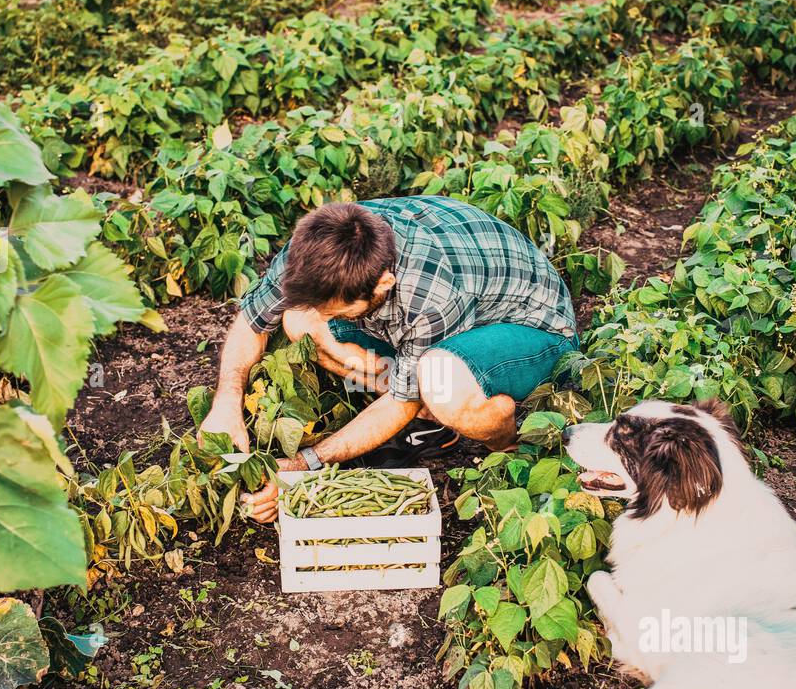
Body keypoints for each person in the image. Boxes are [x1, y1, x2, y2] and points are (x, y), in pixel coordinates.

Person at [198, 197, 578, 523]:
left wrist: (304, 464)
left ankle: (508, 448)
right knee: (299, 321)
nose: (330, 317)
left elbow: (402, 402)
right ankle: (432, 414)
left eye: (340, 311)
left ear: (383, 284)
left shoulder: (432, 292)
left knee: (438, 381)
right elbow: (252, 322)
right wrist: (226, 402)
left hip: (533, 329)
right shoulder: (317, 247)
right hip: (429, 322)